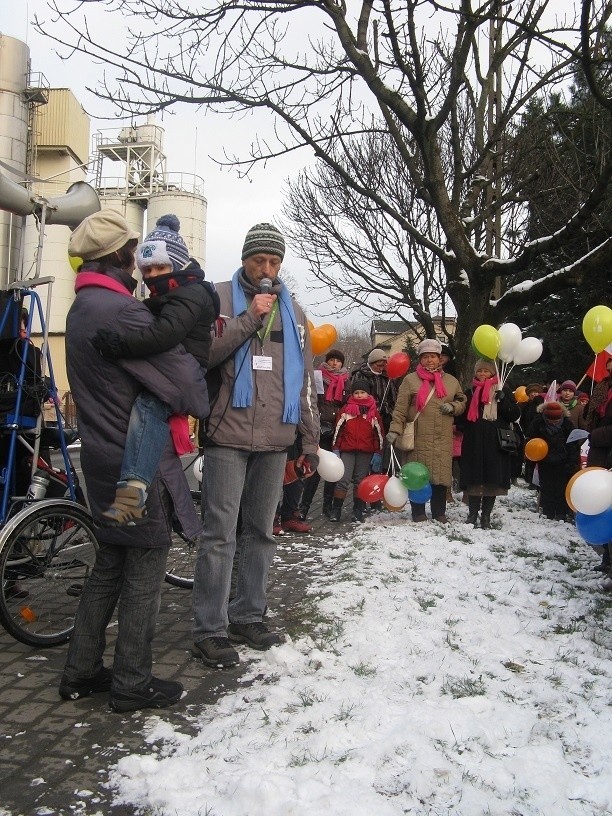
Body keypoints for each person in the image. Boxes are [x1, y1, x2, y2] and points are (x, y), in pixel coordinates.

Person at [59, 209, 209, 713]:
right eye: (133, 252)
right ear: (121, 255)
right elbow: (187, 385)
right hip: (135, 466)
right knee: (146, 565)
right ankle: (131, 682)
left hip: (99, 458)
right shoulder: (123, 312)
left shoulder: (81, 307)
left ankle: (80, 671)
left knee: (108, 563)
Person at [192, 223, 320, 668]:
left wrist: (309, 441)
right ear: (245, 260)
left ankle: (248, 614)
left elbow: (303, 382)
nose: (266, 269)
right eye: (258, 260)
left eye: (274, 262)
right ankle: (209, 629)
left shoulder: (295, 312)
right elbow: (204, 355)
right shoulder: (219, 299)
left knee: (261, 532)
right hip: (227, 434)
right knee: (218, 534)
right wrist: (250, 317)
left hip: (275, 439)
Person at [90, 214, 219, 526]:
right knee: (146, 410)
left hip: (185, 369)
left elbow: (165, 334)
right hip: (176, 368)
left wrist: (121, 344)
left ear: (175, 266)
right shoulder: (174, 294)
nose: (150, 276)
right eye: (146, 269)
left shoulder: (190, 293)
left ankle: (133, 493)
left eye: (158, 268)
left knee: (148, 410)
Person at [386, 339, 466, 523]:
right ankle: (418, 512)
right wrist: (395, 430)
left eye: (433, 357)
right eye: (426, 357)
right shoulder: (410, 380)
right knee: (418, 475)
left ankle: (439, 512)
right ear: (420, 359)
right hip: (418, 436)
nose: (430, 360)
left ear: (440, 359)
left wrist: (453, 406)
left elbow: (462, 400)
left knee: (440, 477)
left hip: (442, 436)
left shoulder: (451, 381)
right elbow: (400, 409)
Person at [455, 359, 521, 528]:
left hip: (495, 442)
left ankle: (486, 516)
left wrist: (504, 400)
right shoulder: (470, 391)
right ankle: (472, 514)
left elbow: (513, 415)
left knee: (492, 479)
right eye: (479, 371)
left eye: (486, 371)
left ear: (493, 373)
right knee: (474, 478)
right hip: (474, 442)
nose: (482, 374)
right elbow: (461, 418)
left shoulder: (502, 389)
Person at [299, 348, 349, 519]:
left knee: (331, 470)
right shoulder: (317, 376)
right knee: (313, 470)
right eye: (332, 360)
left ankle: (327, 506)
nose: (334, 363)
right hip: (317, 428)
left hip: (336, 430)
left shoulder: (346, 380)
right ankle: (303, 507)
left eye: (338, 361)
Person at [328, 379, 384, 523]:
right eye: (356, 393)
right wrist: (336, 449)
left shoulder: (373, 412)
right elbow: (338, 432)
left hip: (365, 452)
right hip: (347, 450)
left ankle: (358, 510)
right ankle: (336, 509)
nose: (359, 395)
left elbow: (378, 434)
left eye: (362, 392)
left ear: (368, 394)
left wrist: (378, 452)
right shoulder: (346, 411)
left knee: (360, 481)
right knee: (343, 479)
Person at [525, 400, 581, 521]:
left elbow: (573, 445)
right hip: (545, 461)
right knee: (546, 486)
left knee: (562, 488)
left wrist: (572, 462)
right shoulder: (538, 422)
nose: (554, 423)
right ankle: (548, 510)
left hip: (563, 461)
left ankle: (561, 512)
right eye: (551, 420)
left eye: (556, 420)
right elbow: (530, 440)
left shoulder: (567, 424)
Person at [350, 348, 398, 433]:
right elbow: (354, 396)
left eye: (383, 366)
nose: (381, 368)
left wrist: (389, 411)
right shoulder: (360, 375)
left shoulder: (388, 376)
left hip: (384, 416)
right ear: (371, 363)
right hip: (365, 415)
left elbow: (393, 397)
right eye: (378, 365)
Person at [520, 383, 545, 484]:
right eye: (532, 392)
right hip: (527, 434)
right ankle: (529, 479)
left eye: (536, 392)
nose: (534, 394)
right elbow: (523, 420)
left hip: (539, 434)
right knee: (529, 457)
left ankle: (536, 481)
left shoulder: (542, 405)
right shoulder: (525, 406)